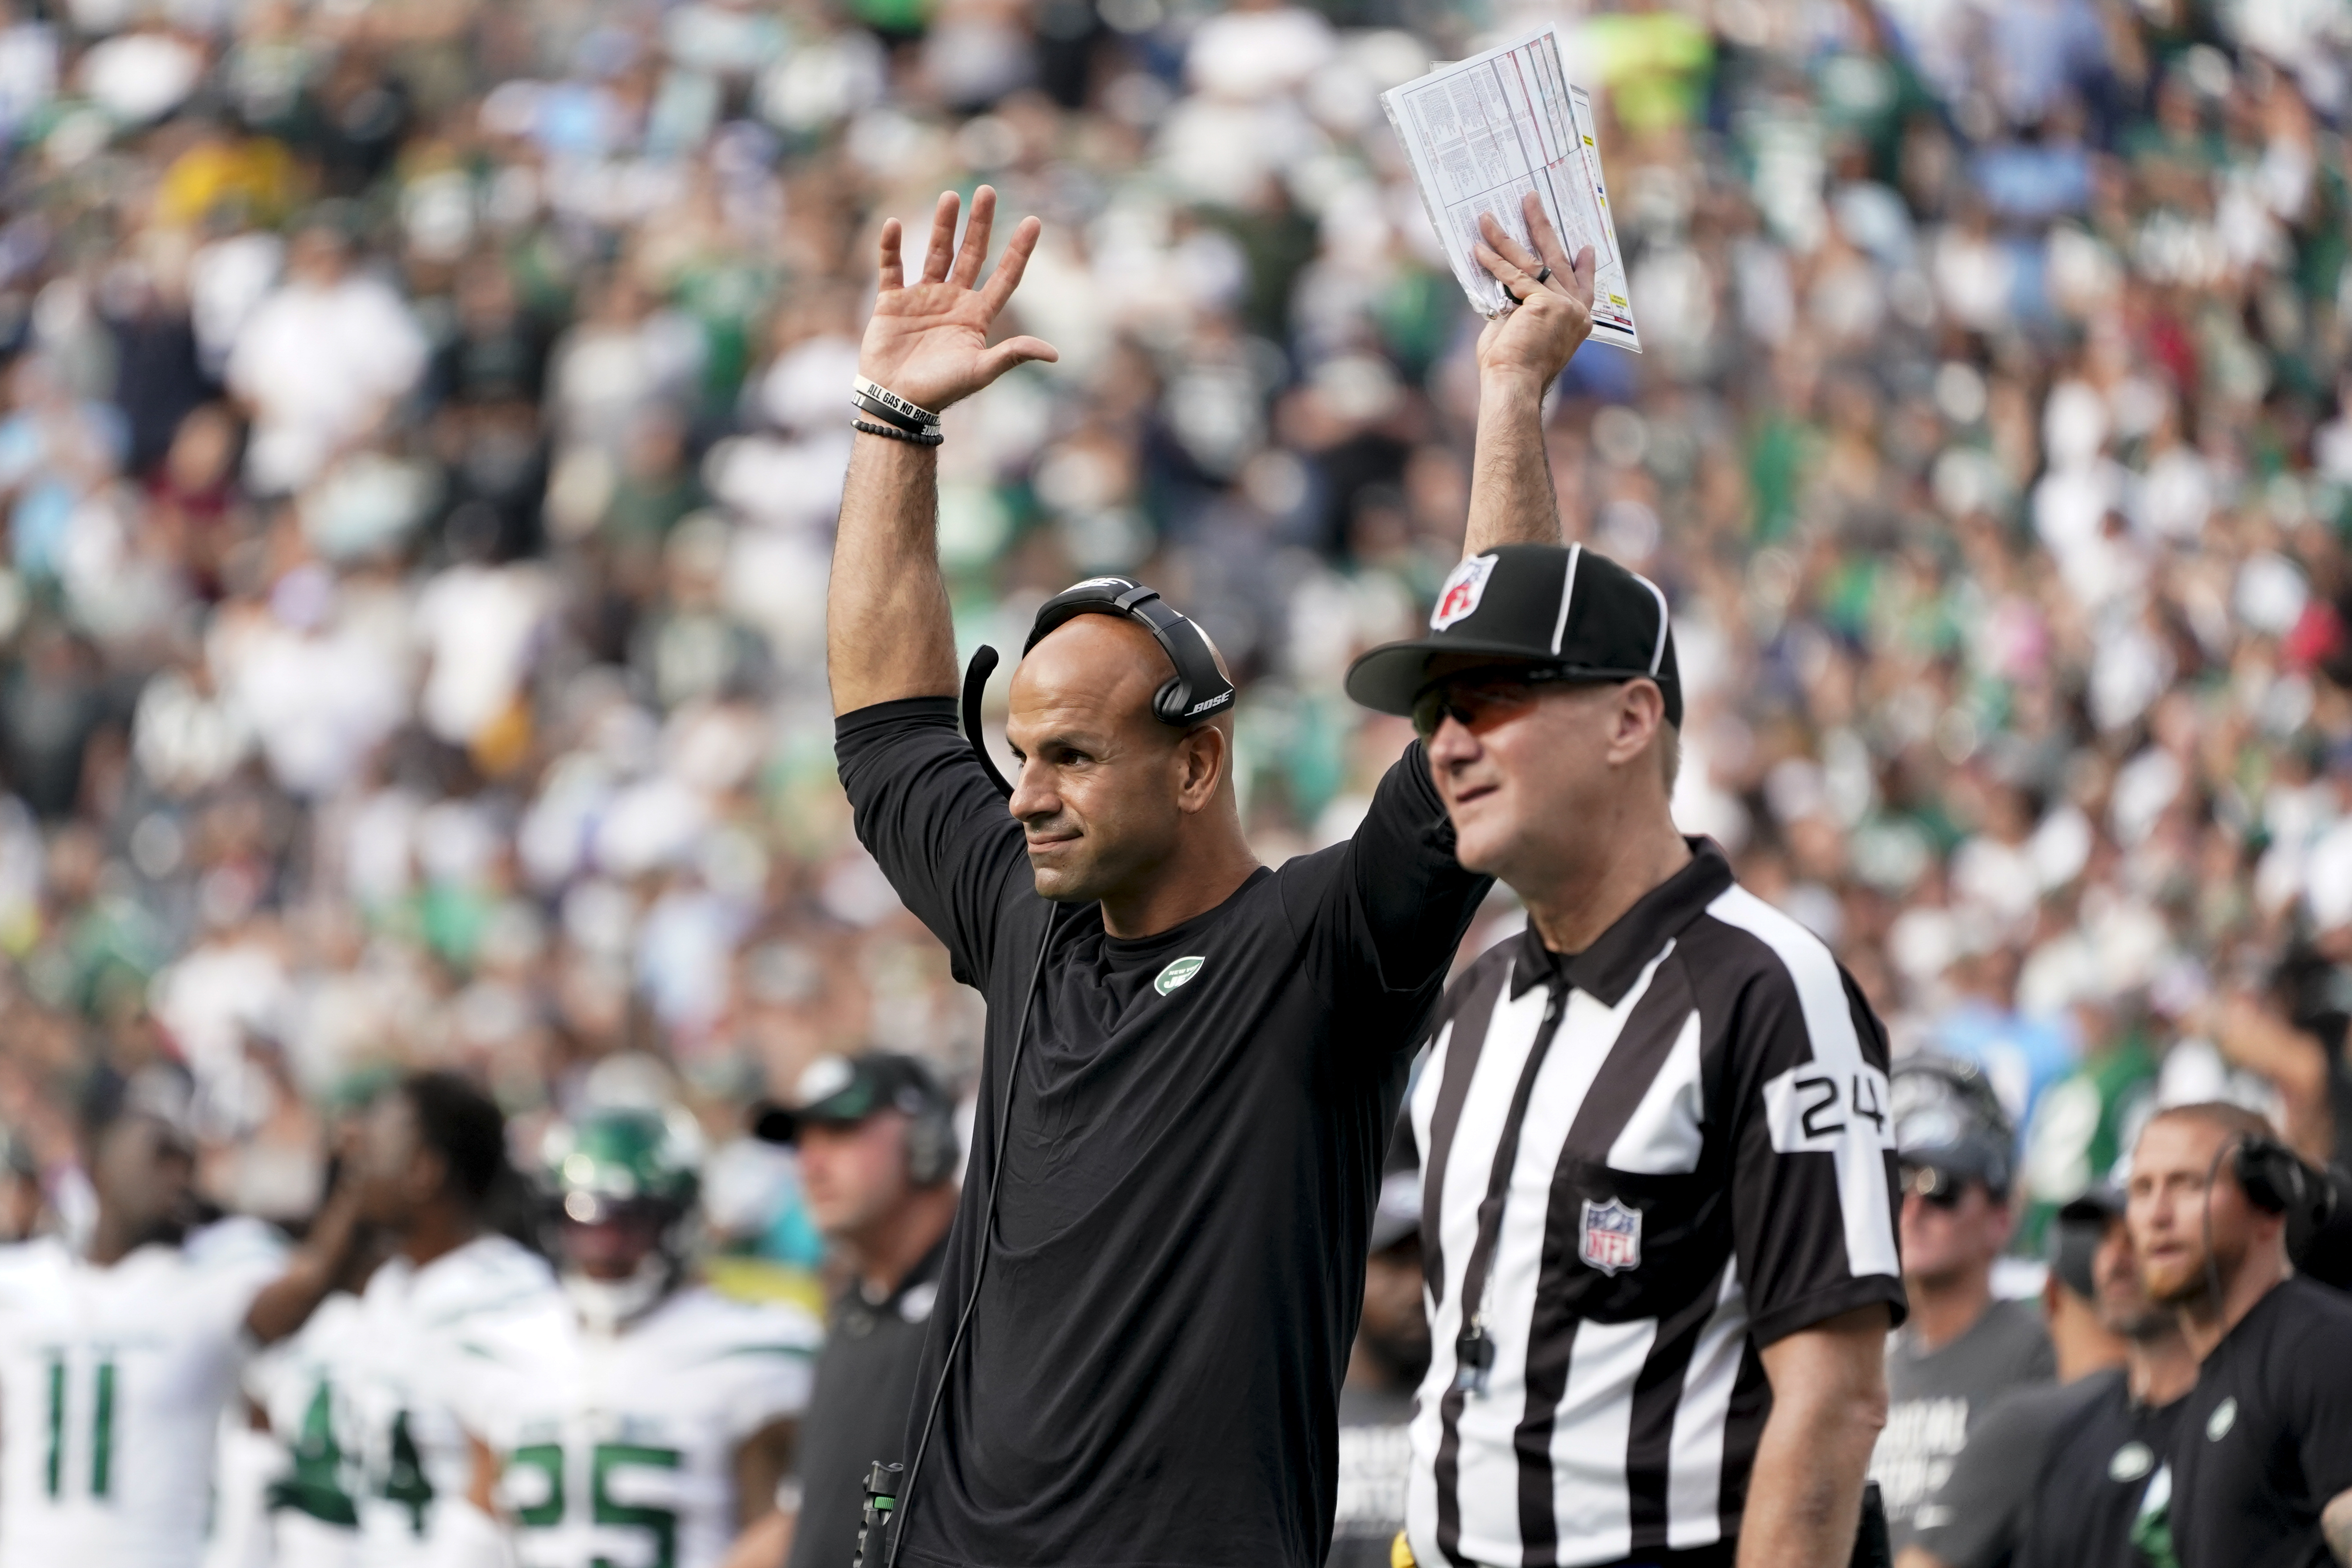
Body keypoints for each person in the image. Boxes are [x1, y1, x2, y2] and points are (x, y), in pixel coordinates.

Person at [824, 183, 1593, 1568]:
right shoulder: (1025, 907)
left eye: (1069, 755)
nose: (1029, 795)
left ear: (1194, 766)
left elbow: (1488, 691)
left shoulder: (1318, 950)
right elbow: (884, 729)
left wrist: (1509, 395)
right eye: (1017, 753)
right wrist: (894, 420)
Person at [1342, 209, 1903, 1567]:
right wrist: (1508, 394)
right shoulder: (1474, 1002)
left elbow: (1828, 1399)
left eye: (1491, 702)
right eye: (1433, 713)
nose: (1449, 744)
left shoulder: (1763, 990)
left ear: (1629, 719)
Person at [0, 1067, 365, 1568]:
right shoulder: (21, 1283)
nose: (178, 1177)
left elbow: (314, 1279)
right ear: (100, 1168)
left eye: (187, 1164)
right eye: (162, 1158)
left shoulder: (203, 1290)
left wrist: (352, 1187)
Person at [456, 1103, 821, 1568]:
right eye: (585, 1225)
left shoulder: (757, 1350)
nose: (605, 1250)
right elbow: (480, 1523)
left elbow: (786, 1525)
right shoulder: (501, 1343)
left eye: (629, 1225)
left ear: (678, 1221)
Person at [324, 1069, 569, 1567]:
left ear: (423, 1171)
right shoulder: (391, 1285)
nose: (356, 1163)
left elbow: (522, 1469)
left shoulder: (506, 1293)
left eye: (372, 1145)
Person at [1898, 1184, 2196, 1568]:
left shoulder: (2032, 1425)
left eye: (2133, 1241)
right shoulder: (2231, 1404)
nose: (2119, 1257)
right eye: (2109, 1239)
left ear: (2050, 1295)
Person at [2124, 1101, 2352, 1568]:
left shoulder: (2321, 1347)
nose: (2157, 1214)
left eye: (2187, 1183)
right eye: (2141, 1189)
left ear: (2268, 1200)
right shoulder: (2206, 1391)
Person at [760, 1053, 963, 1568]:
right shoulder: (855, 1311)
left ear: (927, 1141)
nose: (810, 1163)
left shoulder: (987, 1298)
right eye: (803, 1139)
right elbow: (807, 1516)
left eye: (840, 1131)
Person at [1870, 1057, 2055, 1553]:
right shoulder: (1869, 1365)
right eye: (1900, 1185)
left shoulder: (2041, 1351)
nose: (1914, 1208)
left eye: (1941, 1187)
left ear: (2000, 1218)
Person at [1329, 1167, 1427, 1568]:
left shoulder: (1474, 1416)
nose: (1418, 1288)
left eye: (1433, 1262)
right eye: (1397, 1262)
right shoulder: (1295, 1419)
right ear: (1352, 1270)